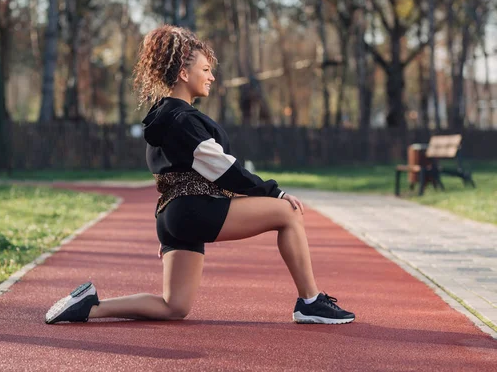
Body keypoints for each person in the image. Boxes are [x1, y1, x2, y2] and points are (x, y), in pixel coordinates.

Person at [45, 25, 355, 325]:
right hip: (193, 210)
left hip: (171, 216)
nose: (212, 76)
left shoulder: (162, 117)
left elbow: (180, 175)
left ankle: (90, 307)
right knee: (287, 212)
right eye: (205, 70)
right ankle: (311, 302)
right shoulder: (183, 119)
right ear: (183, 73)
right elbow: (225, 170)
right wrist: (273, 192)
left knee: (174, 306)